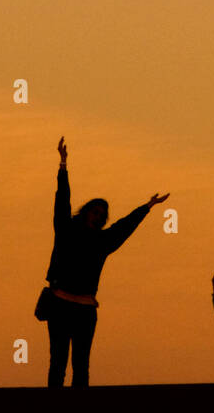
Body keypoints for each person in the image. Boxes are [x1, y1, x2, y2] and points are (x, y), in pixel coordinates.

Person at [43, 136, 168, 387]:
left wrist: (147, 207)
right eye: (95, 210)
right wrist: (63, 165)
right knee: (57, 362)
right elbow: (61, 200)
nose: (98, 215)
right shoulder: (66, 230)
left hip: (85, 308)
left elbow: (125, 226)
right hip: (60, 303)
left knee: (81, 364)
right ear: (86, 211)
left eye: (102, 214)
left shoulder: (103, 242)